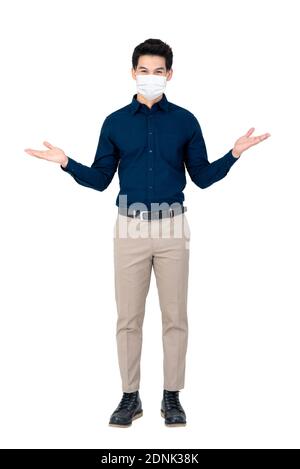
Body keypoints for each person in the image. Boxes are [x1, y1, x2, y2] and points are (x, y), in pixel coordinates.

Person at [24, 38, 271, 428]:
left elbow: (203, 178)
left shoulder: (185, 121)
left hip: (173, 226)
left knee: (175, 316)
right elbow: (101, 178)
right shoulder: (115, 122)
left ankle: (171, 396)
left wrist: (234, 154)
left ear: (169, 75)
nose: (151, 77)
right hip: (130, 228)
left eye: (159, 72)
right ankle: (129, 396)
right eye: (144, 70)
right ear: (133, 72)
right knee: (128, 318)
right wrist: (67, 162)